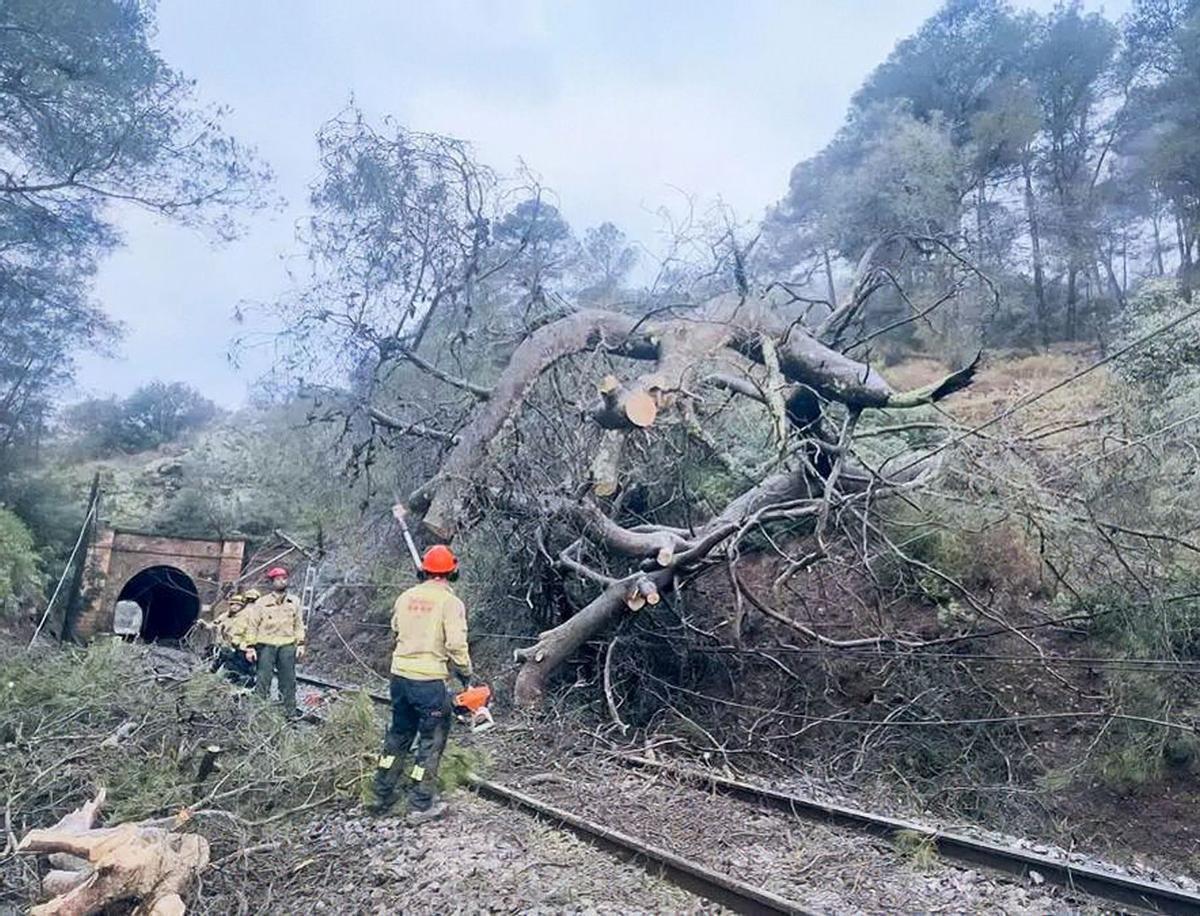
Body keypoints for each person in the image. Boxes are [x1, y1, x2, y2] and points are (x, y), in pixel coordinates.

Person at [371, 540, 473, 824]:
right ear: (452, 572)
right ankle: (421, 802)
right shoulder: (451, 603)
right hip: (428, 681)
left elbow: (395, 628)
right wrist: (466, 674)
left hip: (400, 678)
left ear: (424, 571)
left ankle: (381, 794)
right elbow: (455, 644)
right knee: (432, 740)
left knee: (398, 735)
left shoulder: (405, 597)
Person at [242, 568, 305, 718]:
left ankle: (289, 712)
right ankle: (258, 713)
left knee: (288, 680)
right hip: (266, 646)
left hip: (287, 645)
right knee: (263, 680)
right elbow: (252, 626)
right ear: (271, 582)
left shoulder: (294, 602)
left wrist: (301, 643)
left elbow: (298, 624)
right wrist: (250, 647)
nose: (282, 581)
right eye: (278, 579)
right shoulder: (261, 603)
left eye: (284, 578)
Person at [211, 589, 258, 687]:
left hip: (242, 648)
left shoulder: (244, 614)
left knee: (237, 668)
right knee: (243, 669)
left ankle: (236, 687)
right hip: (245, 647)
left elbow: (239, 631)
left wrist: (236, 643)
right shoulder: (257, 612)